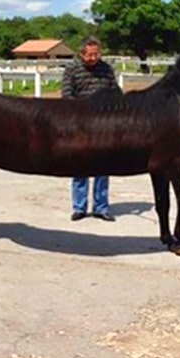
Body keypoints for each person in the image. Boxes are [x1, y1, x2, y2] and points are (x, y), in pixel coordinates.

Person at [61, 35, 119, 222]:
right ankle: (79, 207)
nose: (94, 58)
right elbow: (67, 96)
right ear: (81, 54)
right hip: (81, 125)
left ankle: (101, 207)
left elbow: (115, 92)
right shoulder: (72, 70)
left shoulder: (106, 69)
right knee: (80, 166)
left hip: (104, 126)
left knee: (103, 166)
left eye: (96, 54)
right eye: (90, 55)